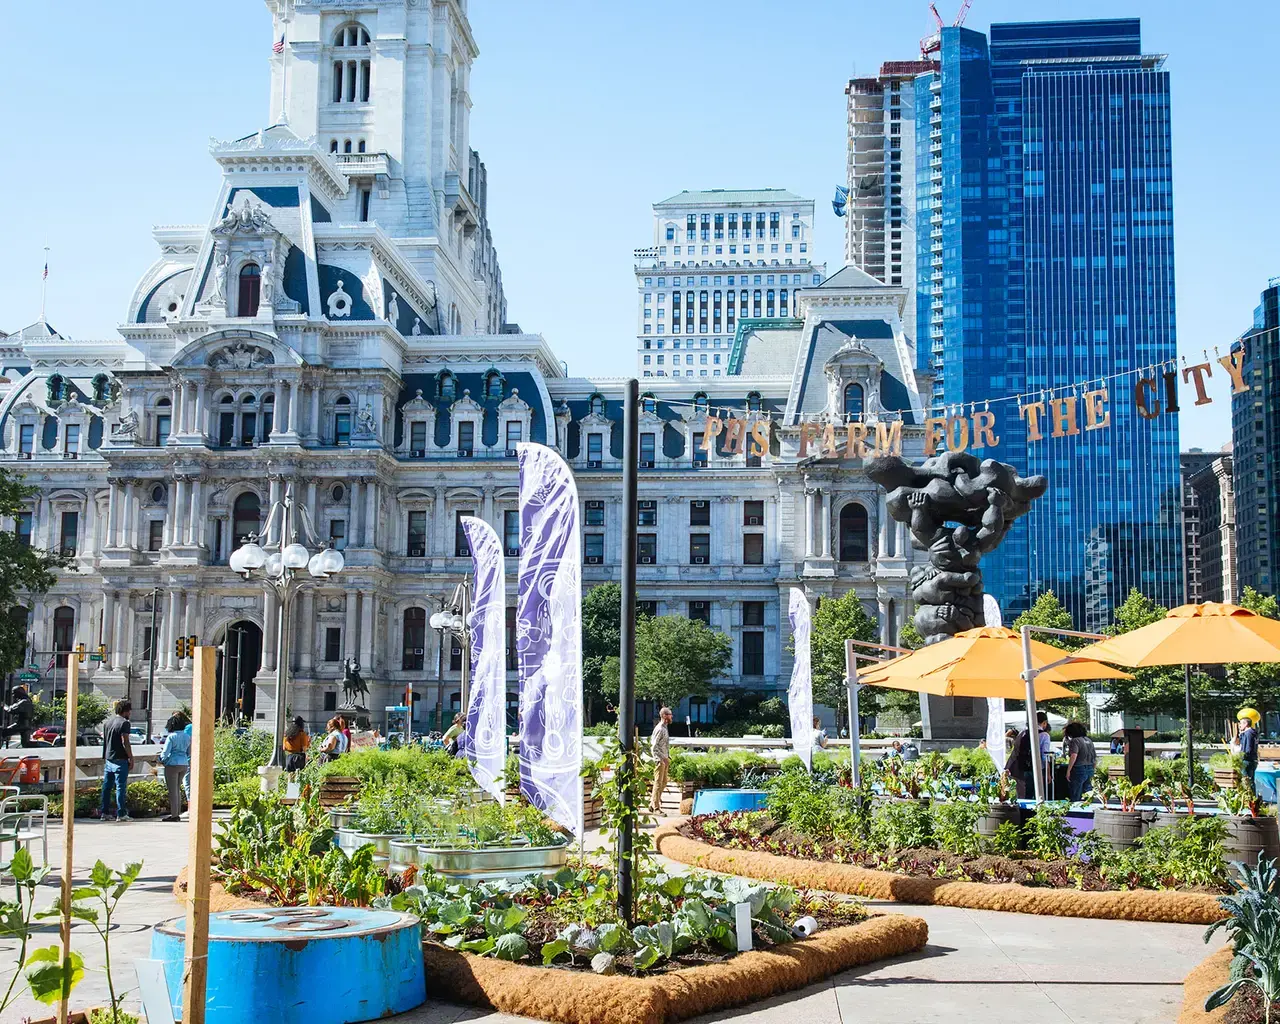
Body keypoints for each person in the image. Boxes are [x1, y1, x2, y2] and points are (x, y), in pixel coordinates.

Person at [99, 699, 134, 822]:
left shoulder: (107, 723)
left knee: (107, 787)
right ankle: (121, 813)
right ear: (126, 711)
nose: (130, 713)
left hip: (109, 758)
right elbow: (126, 742)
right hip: (120, 759)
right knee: (120, 787)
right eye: (129, 711)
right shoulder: (124, 723)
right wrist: (131, 757)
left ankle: (104, 812)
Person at [1005, 711, 1050, 799]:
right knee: (1035, 794)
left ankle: (1022, 812)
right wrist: (1048, 773)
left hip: (1020, 767)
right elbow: (1045, 756)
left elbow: (1015, 750)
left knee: (1022, 794)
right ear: (1044, 723)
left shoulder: (1023, 733)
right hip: (1036, 769)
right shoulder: (1044, 735)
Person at [158, 713, 191, 821]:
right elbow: (188, 752)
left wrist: (161, 760)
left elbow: (165, 753)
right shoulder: (187, 736)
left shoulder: (171, 737)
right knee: (178, 789)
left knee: (173, 791)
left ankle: (174, 815)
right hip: (184, 764)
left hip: (173, 764)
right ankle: (177, 813)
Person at [1063, 721, 1097, 802]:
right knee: (1088, 793)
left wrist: (1068, 770)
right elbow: (1094, 756)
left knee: (1076, 793)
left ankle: (1075, 811)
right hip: (1090, 768)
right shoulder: (1089, 740)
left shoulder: (1075, 741)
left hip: (1079, 768)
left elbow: (1074, 756)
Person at [648, 706, 673, 814]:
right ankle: (656, 808)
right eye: (669, 714)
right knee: (658, 783)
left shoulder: (665, 728)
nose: (671, 716)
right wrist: (661, 759)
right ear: (664, 716)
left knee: (664, 782)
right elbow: (654, 746)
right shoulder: (659, 729)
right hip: (660, 760)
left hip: (664, 759)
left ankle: (652, 803)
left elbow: (664, 745)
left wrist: (668, 756)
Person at [1239, 710, 1260, 789]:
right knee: (1250, 780)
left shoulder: (1248, 734)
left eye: (1241, 723)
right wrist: (1241, 734)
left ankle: (1250, 798)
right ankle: (1252, 798)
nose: (1239, 725)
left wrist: (1242, 756)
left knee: (1247, 780)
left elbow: (1247, 748)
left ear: (1246, 724)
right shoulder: (1252, 733)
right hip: (1252, 759)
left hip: (1247, 759)